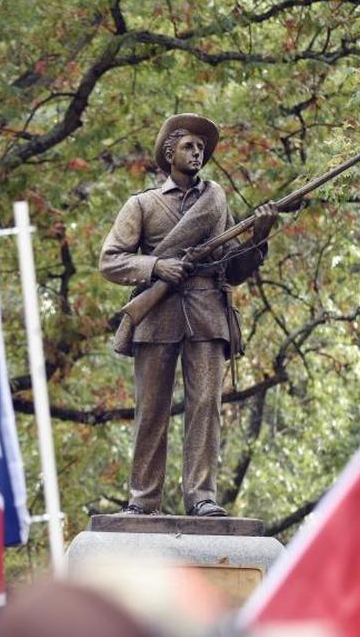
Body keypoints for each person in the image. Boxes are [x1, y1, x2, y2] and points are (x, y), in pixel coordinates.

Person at [99, 113, 277, 517]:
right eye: (189, 146)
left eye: (201, 148)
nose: (197, 153)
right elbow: (111, 261)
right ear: (169, 153)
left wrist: (259, 236)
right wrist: (155, 268)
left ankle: (202, 497)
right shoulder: (141, 204)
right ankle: (143, 501)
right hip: (157, 312)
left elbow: (233, 269)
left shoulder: (217, 200)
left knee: (206, 407)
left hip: (208, 311)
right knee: (152, 409)